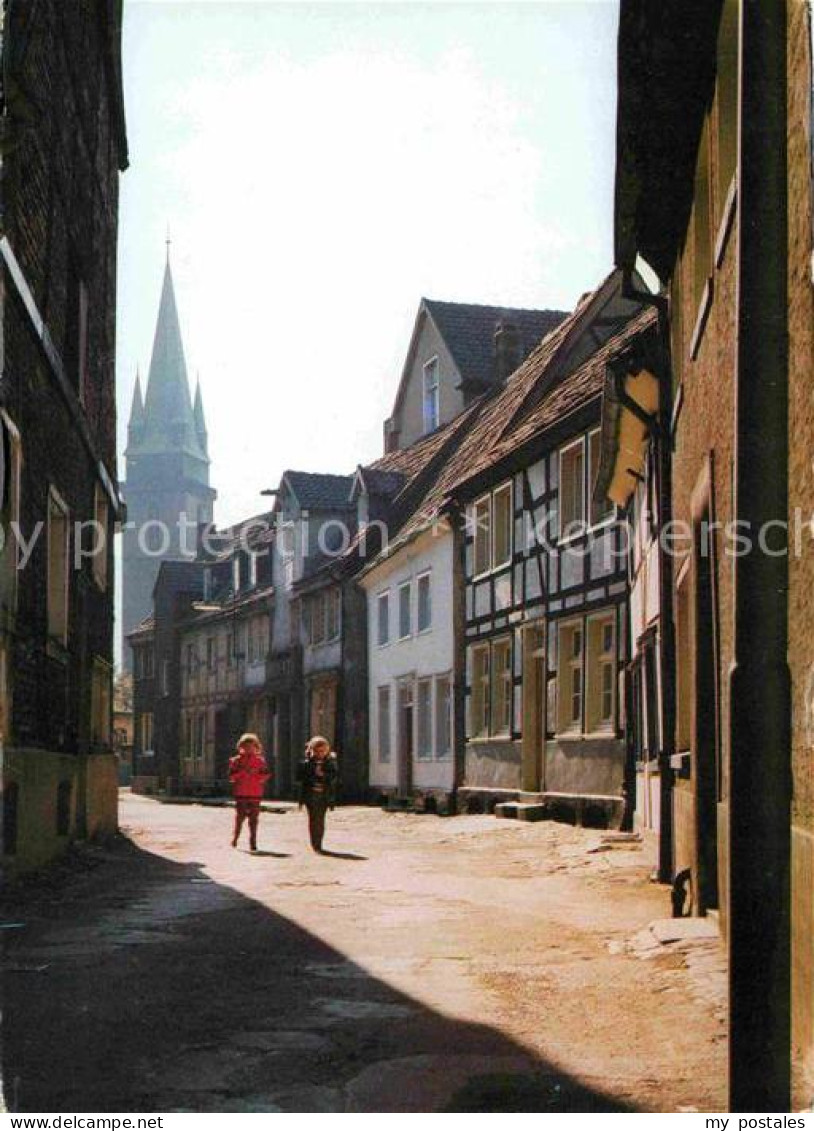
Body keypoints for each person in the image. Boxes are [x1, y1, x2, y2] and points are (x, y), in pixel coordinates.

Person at [228, 733, 271, 851]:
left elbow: (266, 775)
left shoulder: (260, 761)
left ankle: (253, 841)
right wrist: (243, 772)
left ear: (256, 747)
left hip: (255, 793)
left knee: (254, 819)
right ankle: (235, 838)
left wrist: (257, 776)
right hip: (241, 792)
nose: (248, 749)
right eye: (246, 746)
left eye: (251, 746)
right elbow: (231, 777)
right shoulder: (235, 761)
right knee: (240, 818)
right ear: (241, 747)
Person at [297, 735, 338, 853]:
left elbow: (333, 777)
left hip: (323, 796)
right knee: (313, 819)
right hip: (311, 795)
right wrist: (311, 775)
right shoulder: (306, 763)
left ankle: (319, 842)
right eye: (317, 751)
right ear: (311, 750)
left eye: (323, 751)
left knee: (320, 819)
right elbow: (300, 778)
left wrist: (323, 775)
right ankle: (314, 843)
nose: (320, 753)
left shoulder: (330, 763)